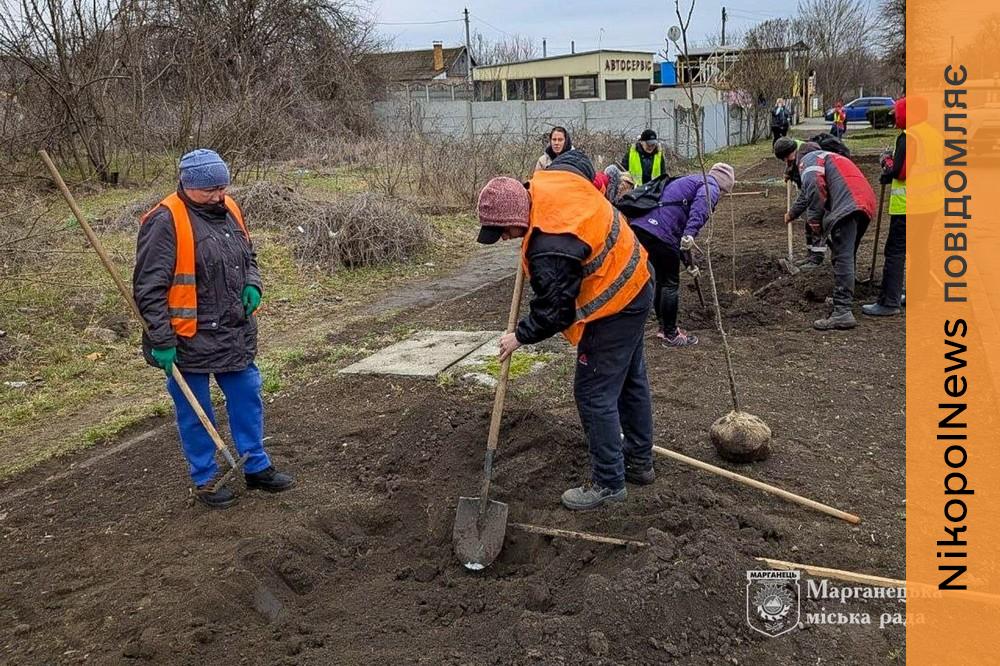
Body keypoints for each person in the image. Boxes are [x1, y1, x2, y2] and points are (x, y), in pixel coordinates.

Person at [475, 151, 655, 511]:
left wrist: (519, 336)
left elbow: (555, 311)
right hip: (637, 279)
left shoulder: (551, 247)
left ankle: (608, 483)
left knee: (593, 392)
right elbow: (579, 161)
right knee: (630, 380)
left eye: (505, 232)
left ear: (515, 219)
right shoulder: (551, 178)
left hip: (613, 305)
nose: (507, 239)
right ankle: (639, 462)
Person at [133, 148, 294, 509]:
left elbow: (248, 255)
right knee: (195, 411)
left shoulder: (230, 208)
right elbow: (148, 289)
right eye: (210, 190)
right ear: (188, 186)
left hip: (233, 330)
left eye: (222, 187)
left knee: (248, 395)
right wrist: (161, 339)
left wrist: (253, 283)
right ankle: (205, 479)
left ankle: (256, 466)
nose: (219, 195)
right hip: (185, 337)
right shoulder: (165, 221)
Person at [628, 164, 735, 347]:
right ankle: (671, 334)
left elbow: (676, 229)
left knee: (662, 280)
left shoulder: (691, 180)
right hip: (661, 232)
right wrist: (691, 233)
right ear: (724, 186)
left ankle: (663, 329)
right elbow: (700, 208)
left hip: (643, 228)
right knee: (670, 282)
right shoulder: (711, 185)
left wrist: (688, 264)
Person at [783, 144, 876, 330]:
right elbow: (806, 194)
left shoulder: (809, 159)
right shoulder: (831, 157)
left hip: (847, 204)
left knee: (842, 257)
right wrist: (792, 213)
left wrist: (815, 222)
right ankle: (848, 291)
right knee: (846, 254)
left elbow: (815, 190)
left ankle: (842, 311)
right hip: (864, 202)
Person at [863, 96, 939, 316]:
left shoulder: (909, 137)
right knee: (920, 249)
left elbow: (900, 172)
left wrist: (886, 163)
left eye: (897, 113)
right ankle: (918, 293)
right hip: (931, 204)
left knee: (895, 251)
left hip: (909, 206)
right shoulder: (933, 134)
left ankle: (889, 302)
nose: (895, 117)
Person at [774, 137, 827, 267]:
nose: (786, 161)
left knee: (815, 220)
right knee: (809, 222)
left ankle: (817, 258)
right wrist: (789, 172)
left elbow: (807, 194)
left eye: (786, 158)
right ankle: (811, 254)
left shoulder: (807, 154)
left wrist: (792, 214)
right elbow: (794, 166)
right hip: (812, 189)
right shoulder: (797, 151)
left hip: (820, 192)